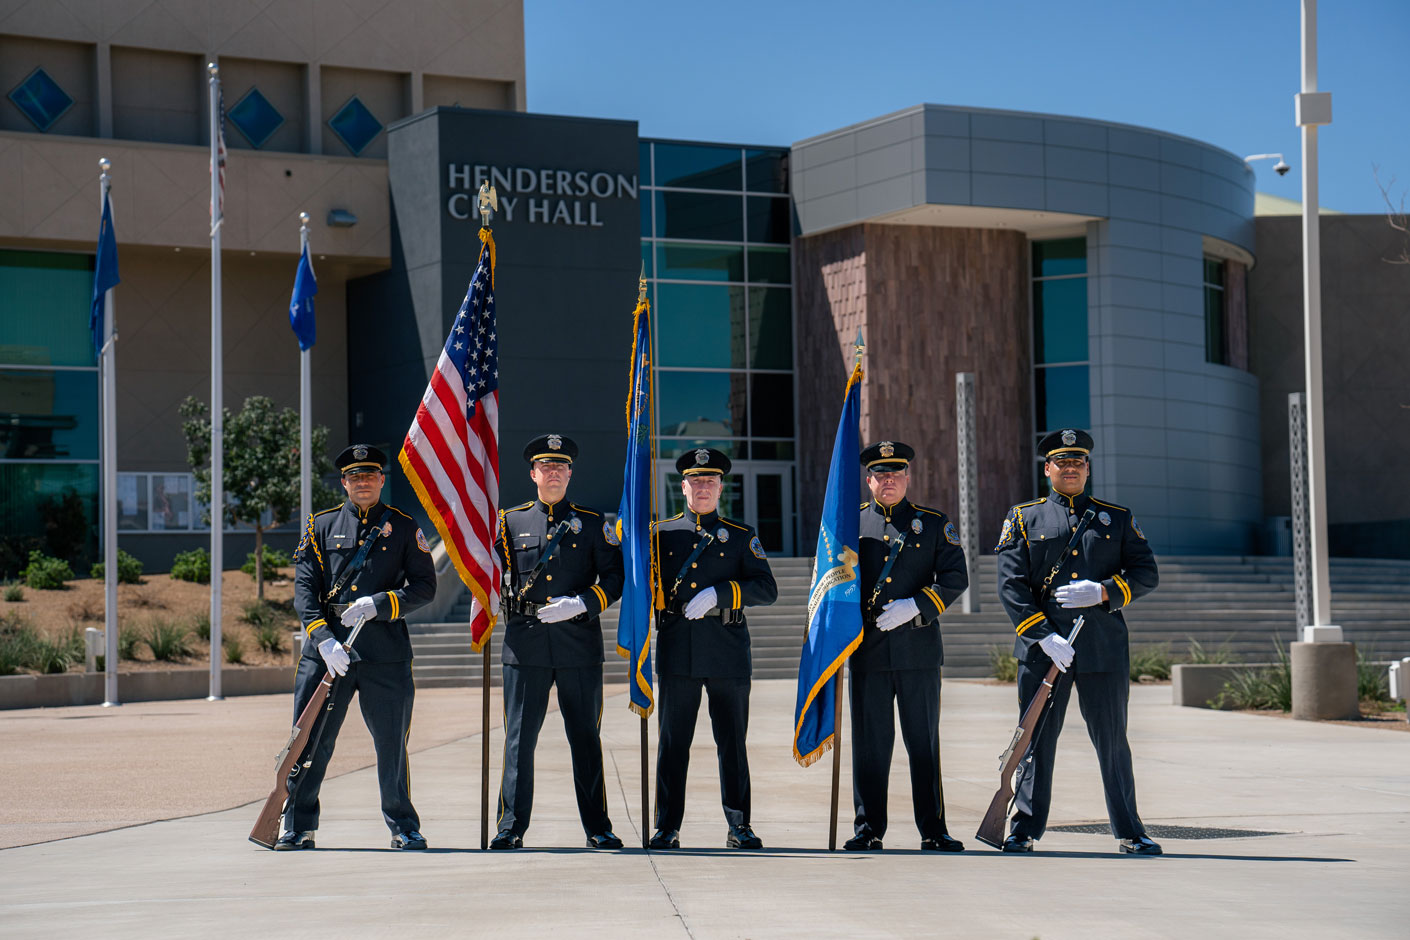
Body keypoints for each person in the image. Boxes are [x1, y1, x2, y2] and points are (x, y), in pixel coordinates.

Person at [994, 428, 1162, 855]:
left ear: (1087, 468)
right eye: (1062, 463)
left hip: (1102, 648)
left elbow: (1146, 574)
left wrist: (1105, 591)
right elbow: (1012, 586)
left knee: (1112, 742)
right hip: (1043, 651)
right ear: (1047, 468)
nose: (1070, 469)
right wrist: (1043, 635)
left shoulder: (1116, 518)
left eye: (1078, 462)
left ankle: (1129, 830)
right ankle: (1024, 829)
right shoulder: (1023, 517)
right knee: (1035, 741)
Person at [280, 444, 437, 850]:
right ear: (344, 483)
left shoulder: (403, 526)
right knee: (311, 741)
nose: (362, 482)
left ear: (382, 480)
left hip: (384, 651)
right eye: (354, 476)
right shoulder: (321, 525)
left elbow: (425, 587)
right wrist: (322, 637)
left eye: (370, 475)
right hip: (328, 653)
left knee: (391, 743)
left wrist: (381, 604)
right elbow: (303, 590)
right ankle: (298, 824)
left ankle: (403, 825)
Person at [488, 434, 625, 850]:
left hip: (578, 643)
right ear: (532, 474)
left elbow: (615, 579)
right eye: (546, 467)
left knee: (585, 737)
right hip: (524, 644)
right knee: (518, 741)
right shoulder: (508, 523)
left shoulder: (594, 523)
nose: (553, 473)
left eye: (560, 467)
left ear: (570, 474)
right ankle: (511, 827)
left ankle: (598, 827)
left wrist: (581, 603)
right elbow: (487, 571)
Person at [649, 448, 777, 850]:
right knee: (673, 745)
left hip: (727, 651)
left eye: (711, 481)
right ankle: (667, 826)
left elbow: (766, 589)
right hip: (678, 651)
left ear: (721, 487)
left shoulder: (742, 536)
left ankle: (739, 826)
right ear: (682, 486)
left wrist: (721, 594)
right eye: (695, 481)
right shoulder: (660, 535)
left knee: (732, 745)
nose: (703, 488)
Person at [845, 440, 969, 853]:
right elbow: (833, 584)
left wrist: (917, 606)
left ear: (908, 477)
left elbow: (955, 576)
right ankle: (868, 829)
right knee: (870, 747)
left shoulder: (933, 524)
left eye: (896, 474)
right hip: (868, 651)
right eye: (880, 475)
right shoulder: (850, 525)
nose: (888, 481)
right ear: (869, 481)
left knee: (923, 743)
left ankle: (933, 830)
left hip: (917, 648)